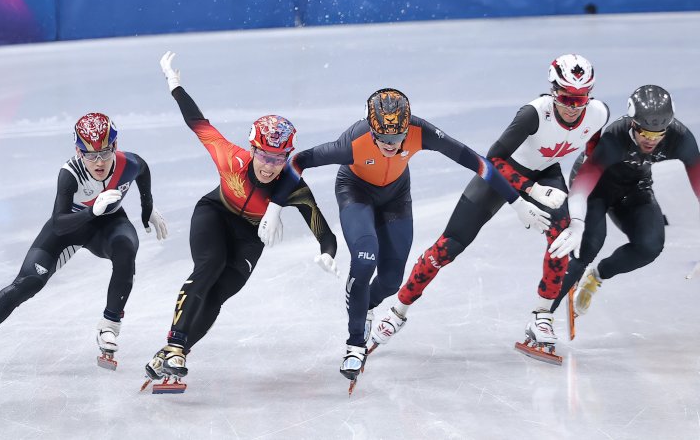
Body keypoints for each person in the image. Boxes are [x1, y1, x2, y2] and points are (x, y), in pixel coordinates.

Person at [258, 87, 550, 385]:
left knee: (391, 281)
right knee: (365, 258)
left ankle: (365, 305)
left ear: (407, 129)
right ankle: (355, 345)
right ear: (371, 130)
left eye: (397, 138)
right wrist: (274, 207)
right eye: (382, 138)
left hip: (396, 198)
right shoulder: (352, 143)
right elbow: (299, 161)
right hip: (355, 192)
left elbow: (479, 163)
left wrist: (517, 202)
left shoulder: (421, 132)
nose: (389, 145)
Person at [371, 55, 610, 362]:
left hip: (546, 172)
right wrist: (528, 193)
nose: (573, 107)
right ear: (553, 91)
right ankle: (397, 311)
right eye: (566, 98)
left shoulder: (598, 114)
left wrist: (577, 219)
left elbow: (591, 163)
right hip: (501, 174)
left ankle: (542, 316)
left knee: (561, 239)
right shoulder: (533, 114)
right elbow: (492, 160)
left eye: (581, 99)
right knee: (448, 247)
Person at [144, 52, 338, 390]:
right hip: (215, 214)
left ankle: (175, 353)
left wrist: (327, 253)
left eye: (278, 158)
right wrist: (174, 85)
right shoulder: (231, 158)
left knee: (220, 293)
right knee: (209, 266)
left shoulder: (293, 186)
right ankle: (175, 343)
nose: (269, 166)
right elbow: (197, 122)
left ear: (287, 157)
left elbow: (324, 231)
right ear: (252, 148)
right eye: (263, 155)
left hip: (249, 236)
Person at [0, 113, 167, 370]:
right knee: (29, 283)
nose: (98, 162)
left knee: (126, 250)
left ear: (115, 146)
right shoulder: (70, 174)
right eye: (90, 155)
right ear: (78, 151)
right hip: (69, 229)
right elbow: (59, 222)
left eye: (105, 153)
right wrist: (91, 211)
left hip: (109, 226)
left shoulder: (129, 163)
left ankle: (109, 325)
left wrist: (147, 208)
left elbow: (143, 170)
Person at [547, 85, 700, 327]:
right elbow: (583, 183)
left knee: (650, 246)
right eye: (645, 133)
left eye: (658, 134)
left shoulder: (680, 138)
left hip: (634, 187)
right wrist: (575, 221)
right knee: (587, 247)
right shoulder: (614, 138)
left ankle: (597, 277)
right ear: (633, 124)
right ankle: (542, 318)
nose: (651, 140)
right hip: (595, 189)